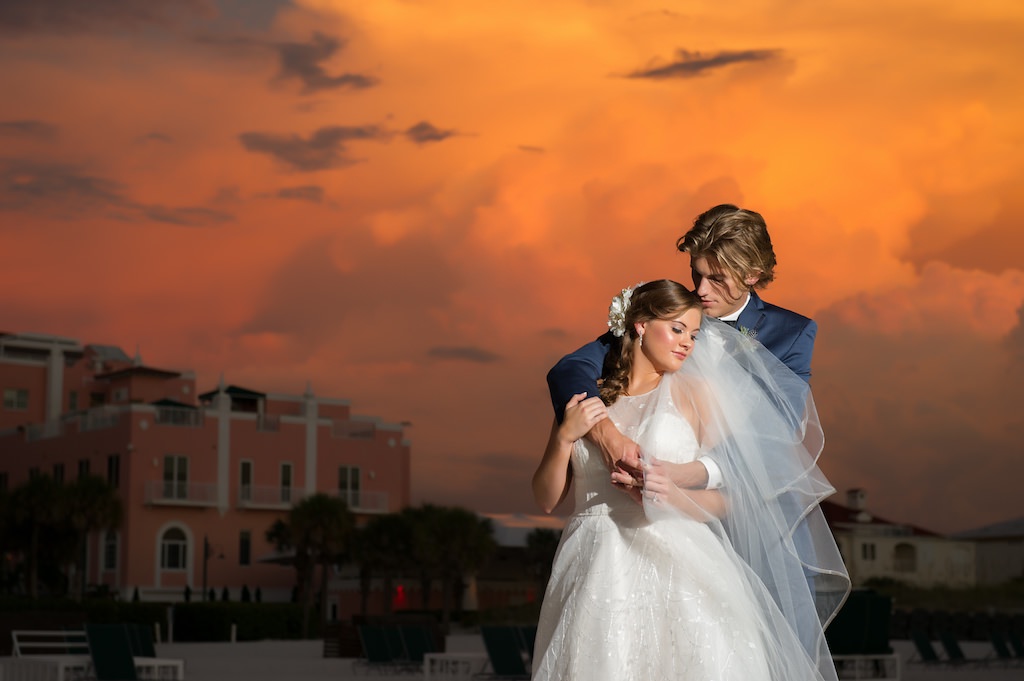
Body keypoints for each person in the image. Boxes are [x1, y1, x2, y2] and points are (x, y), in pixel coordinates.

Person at [531, 280, 848, 681]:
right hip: (594, 562)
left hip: (682, 566)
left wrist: (671, 495)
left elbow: (731, 499)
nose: (687, 344)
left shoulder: (695, 395)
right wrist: (563, 437)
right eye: (677, 329)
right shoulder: (588, 401)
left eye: (694, 335)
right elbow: (546, 499)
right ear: (641, 325)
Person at [547, 204, 815, 491]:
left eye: (716, 279)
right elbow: (570, 369)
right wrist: (604, 433)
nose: (700, 290)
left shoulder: (793, 333)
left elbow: (776, 433)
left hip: (747, 504)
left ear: (752, 275)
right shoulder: (667, 313)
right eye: (696, 274)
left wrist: (682, 477)